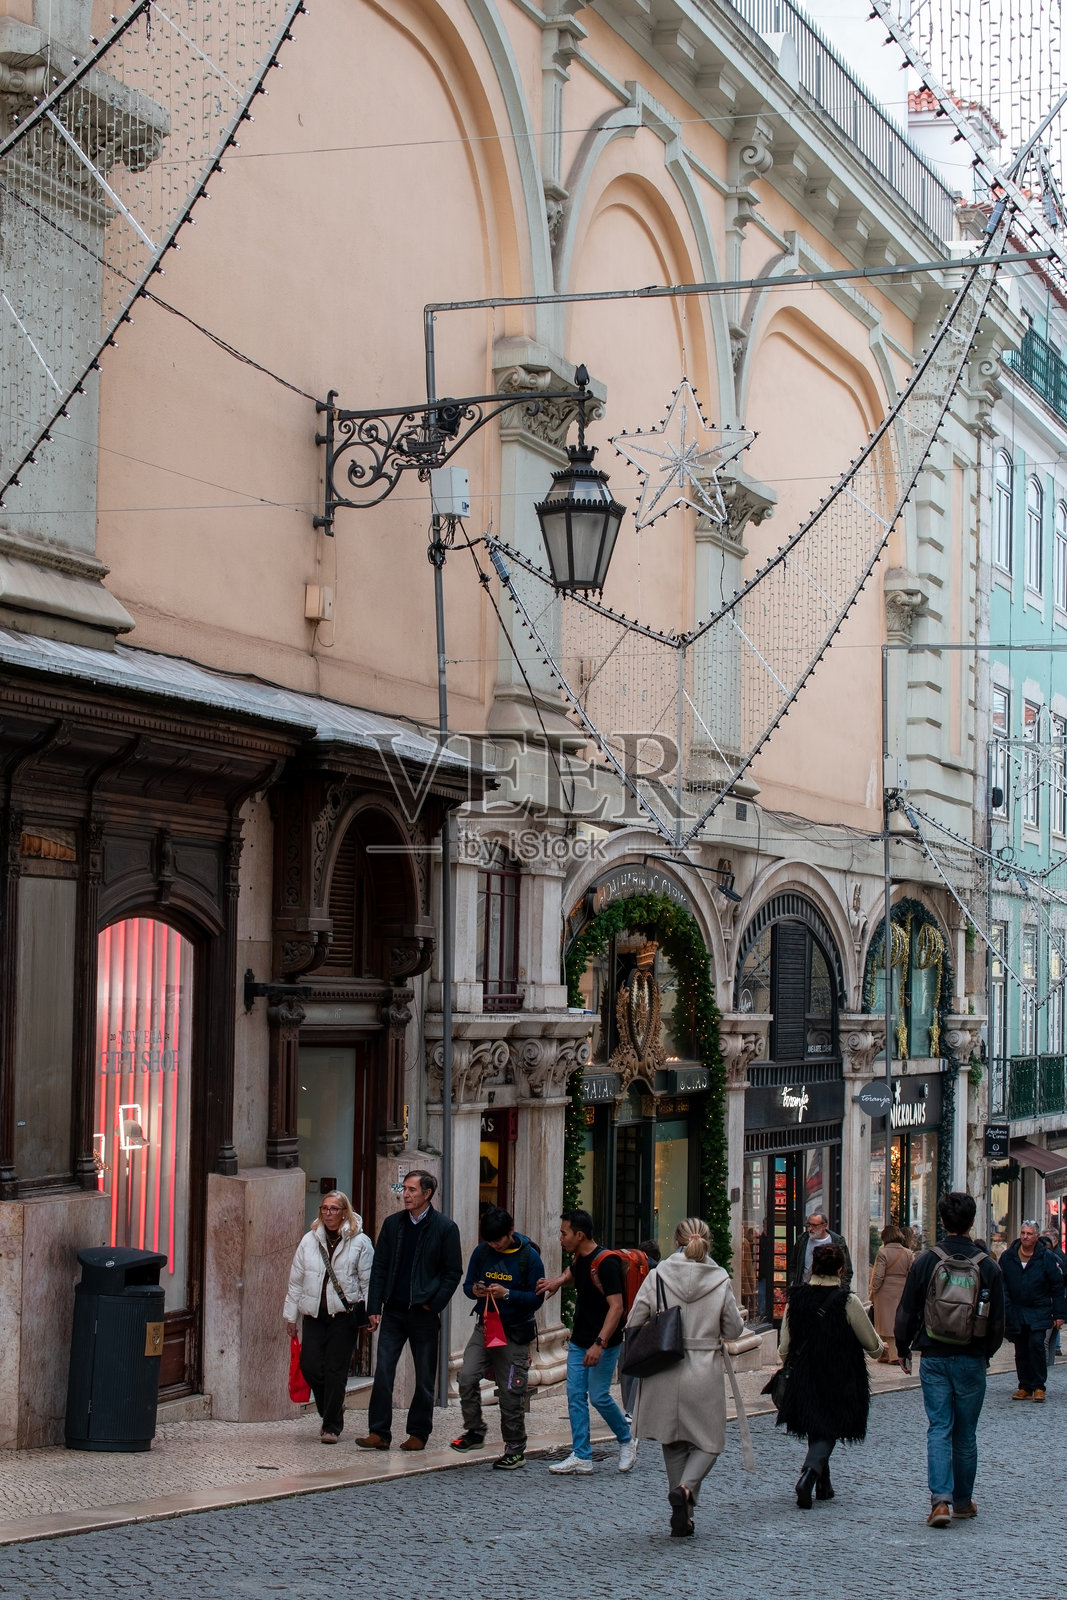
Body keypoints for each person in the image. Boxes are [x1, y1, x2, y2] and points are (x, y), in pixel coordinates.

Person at [625, 1218, 745, 1537]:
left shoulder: (658, 1274)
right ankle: (686, 1490)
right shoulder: (719, 1278)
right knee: (710, 1441)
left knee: (673, 1439)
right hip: (703, 1368)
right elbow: (734, 1329)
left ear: (676, 1240)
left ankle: (682, 1504)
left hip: (664, 1364)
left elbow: (634, 1319)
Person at [895, 1190, 1005, 1527]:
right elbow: (999, 1323)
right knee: (966, 1432)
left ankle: (939, 1501)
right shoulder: (989, 1267)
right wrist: (984, 1353)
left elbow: (907, 1310)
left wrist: (903, 1348)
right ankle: (962, 1501)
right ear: (972, 1222)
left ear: (942, 1221)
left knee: (939, 1427)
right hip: (971, 1357)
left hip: (935, 1355)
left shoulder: (926, 1260)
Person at [356, 1169, 462, 1452]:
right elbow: (379, 1267)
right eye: (404, 1189)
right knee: (384, 1372)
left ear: (427, 1194)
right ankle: (379, 1432)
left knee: (425, 1377)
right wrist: (374, 1306)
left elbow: (453, 1273)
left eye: (412, 1190)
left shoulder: (445, 1228)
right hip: (393, 1310)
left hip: (423, 1313)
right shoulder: (393, 1225)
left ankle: (418, 1432)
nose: (405, 1194)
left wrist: (434, 1303)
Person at [778, 1241, 883, 1508]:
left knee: (817, 1422)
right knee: (829, 1426)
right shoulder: (848, 1301)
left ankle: (824, 1485)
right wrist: (881, 1347)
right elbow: (873, 1347)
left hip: (805, 1374)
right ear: (840, 1269)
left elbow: (784, 1347)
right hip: (840, 1375)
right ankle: (809, 1475)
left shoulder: (796, 1299)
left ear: (812, 1266)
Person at [536, 1209, 637, 1475]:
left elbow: (616, 1307)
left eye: (564, 1233)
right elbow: (573, 1272)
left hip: (604, 1341)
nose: (560, 1237)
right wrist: (557, 1282)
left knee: (600, 1396)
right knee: (575, 1396)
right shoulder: (579, 1256)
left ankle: (627, 1439)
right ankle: (582, 1455)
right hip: (580, 1339)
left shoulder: (606, 1263)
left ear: (579, 1235)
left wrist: (599, 1343)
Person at [451, 1206, 546, 1470]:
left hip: (514, 1332)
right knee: (467, 1377)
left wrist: (507, 1294)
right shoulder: (482, 1252)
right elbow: (467, 1286)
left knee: (510, 1392)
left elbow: (536, 1299)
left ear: (511, 1233)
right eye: (490, 1241)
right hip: (485, 1327)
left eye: (499, 1241)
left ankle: (515, 1448)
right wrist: (478, 1291)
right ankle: (475, 1430)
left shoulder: (530, 1257)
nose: (494, 1245)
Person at [283, 1191, 374, 1444]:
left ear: (344, 1212)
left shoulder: (360, 1242)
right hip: (313, 1314)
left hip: (344, 1315)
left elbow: (368, 1281)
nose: (328, 1214)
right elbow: (296, 1281)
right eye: (324, 1209)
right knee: (310, 1365)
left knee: (336, 1370)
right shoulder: (309, 1240)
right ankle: (333, 1408)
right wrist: (291, 1316)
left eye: (334, 1209)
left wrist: (372, 1312)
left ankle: (331, 1426)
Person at [999, 1219, 1066, 1402]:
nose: (1025, 1237)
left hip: (1039, 1309)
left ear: (1037, 1236)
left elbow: (1057, 1287)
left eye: (1029, 1234)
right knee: (1020, 1349)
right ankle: (1024, 1385)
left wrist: (1059, 1314)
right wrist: (1005, 1306)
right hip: (1016, 1310)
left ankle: (1038, 1386)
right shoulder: (1008, 1257)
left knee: (1036, 1345)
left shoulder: (1047, 1258)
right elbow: (1002, 1283)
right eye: (1023, 1233)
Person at [620, 1238, 661, 1422]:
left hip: (629, 1323)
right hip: (649, 1322)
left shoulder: (630, 1265)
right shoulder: (657, 1270)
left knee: (628, 1366)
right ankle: (634, 1409)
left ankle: (628, 1409)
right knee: (643, 1367)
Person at [868, 1224, 913, 1363]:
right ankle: (885, 1354)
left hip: (884, 1291)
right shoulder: (908, 1253)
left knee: (884, 1323)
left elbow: (878, 1275)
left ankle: (892, 1355)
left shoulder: (883, 1252)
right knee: (896, 1321)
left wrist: (873, 1290)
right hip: (902, 1289)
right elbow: (912, 1272)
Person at [789, 1212, 853, 1290]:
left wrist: (842, 1289)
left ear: (824, 1226)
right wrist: (793, 1283)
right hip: (804, 1289)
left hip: (829, 1291)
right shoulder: (802, 1240)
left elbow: (847, 1269)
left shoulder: (837, 1241)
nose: (810, 1228)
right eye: (809, 1225)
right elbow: (793, 1265)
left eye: (814, 1225)